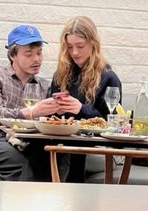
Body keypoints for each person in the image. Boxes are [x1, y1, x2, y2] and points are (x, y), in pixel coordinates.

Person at [0, 25, 69, 181]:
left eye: (39, 53)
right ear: (13, 55)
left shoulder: (44, 86)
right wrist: (32, 112)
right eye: (29, 54)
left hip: (25, 141)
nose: (37, 59)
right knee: (19, 164)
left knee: (58, 155)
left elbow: (47, 122)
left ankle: (52, 203)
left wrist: (59, 111)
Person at [50, 16, 122, 182]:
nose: (74, 52)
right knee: (41, 152)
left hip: (98, 146)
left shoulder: (109, 78)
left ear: (93, 44)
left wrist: (80, 109)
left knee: (68, 153)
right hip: (66, 142)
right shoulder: (61, 75)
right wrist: (55, 109)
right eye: (69, 47)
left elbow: (112, 124)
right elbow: (52, 120)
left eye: (80, 46)